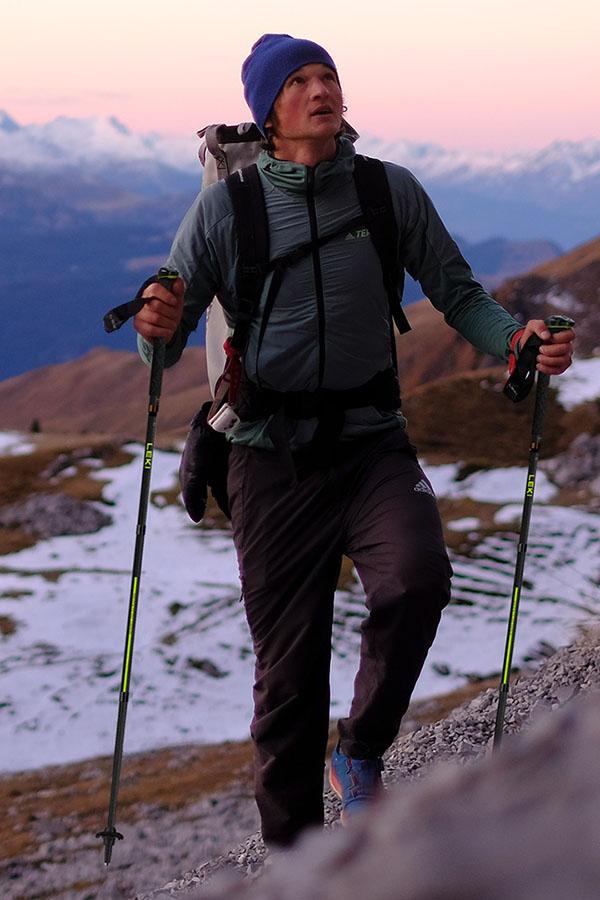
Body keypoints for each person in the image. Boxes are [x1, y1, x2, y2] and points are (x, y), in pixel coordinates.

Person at [134, 34, 575, 848]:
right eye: (298, 81)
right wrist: (154, 327)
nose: (320, 89)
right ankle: (296, 864)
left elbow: (457, 291)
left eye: (328, 75)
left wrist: (515, 339)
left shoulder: (386, 190)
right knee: (289, 681)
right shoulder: (225, 211)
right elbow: (165, 341)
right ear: (267, 112)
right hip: (269, 456)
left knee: (417, 578)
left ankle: (361, 751)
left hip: (373, 443)